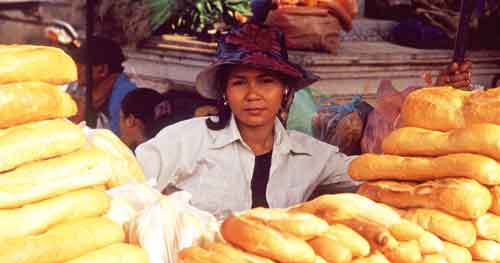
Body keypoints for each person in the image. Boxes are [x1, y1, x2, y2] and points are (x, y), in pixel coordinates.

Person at [136, 22, 472, 219]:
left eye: (266, 81)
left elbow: (384, 172)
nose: (253, 94)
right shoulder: (187, 139)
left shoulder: (311, 156)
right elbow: (128, 184)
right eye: (240, 82)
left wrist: (443, 99)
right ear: (225, 92)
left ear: (285, 92)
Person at [69, 36, 137, 135]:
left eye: (81, 64)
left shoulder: (123, 96)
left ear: (102, 70)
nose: (76, 68)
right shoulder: (97, 90)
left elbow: (119, 143)